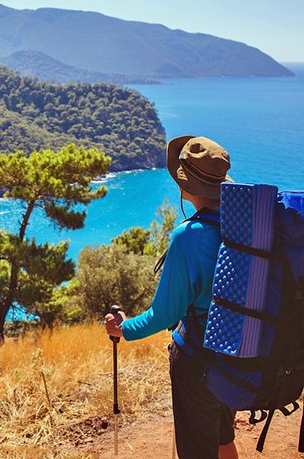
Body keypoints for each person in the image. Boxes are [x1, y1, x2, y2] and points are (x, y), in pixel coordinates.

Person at [104, 135, 239, 459]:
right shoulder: (242, 229)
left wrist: (123, 328)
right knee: (222, 440)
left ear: (184, 186)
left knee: (195, 451)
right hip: (235, 351)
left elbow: (164, 314)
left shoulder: (188, 237)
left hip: (198, 362)